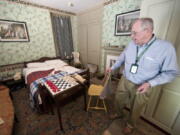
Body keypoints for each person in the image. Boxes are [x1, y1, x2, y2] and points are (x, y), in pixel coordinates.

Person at [107, 18, 178, 134]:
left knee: (136, 108)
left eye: (134, 33)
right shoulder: (132, 43)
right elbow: (122, 56)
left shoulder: (166, 48)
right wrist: (113, 67)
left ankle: (130, 125)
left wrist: (150, 83)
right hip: (125, 79)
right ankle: (118, 113)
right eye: (131, 32)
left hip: (143, 85)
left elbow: (171, 73)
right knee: (118, 99)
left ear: (148, 31)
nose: (131, 36)